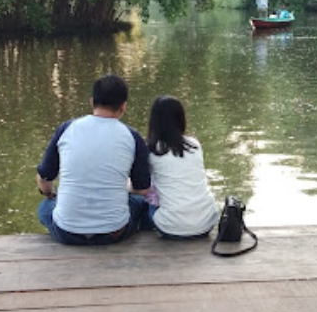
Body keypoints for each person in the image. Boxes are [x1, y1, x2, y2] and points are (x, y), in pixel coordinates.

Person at [36, 74, 152, 245]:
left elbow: (44, 179)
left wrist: (49, 194)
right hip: (114, 233)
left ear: (92, 102)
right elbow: (143, 189)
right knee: (142, 203)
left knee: (45, 208)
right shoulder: (132, 137)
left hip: (67, 232)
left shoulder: (67, 129)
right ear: (123, 106)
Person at [144, 96, 219, 239]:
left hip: (170, 227)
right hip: (206, 223)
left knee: (141, 200)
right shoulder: (194, 145)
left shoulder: (151, 150)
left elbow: (142, 186)